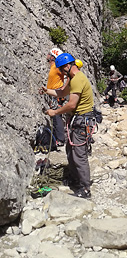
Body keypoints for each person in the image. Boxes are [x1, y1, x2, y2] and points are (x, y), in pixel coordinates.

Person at [40, 53, 94, 199]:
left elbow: (71, 104)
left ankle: (85, 189)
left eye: (62, 70)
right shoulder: (73, 79)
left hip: (81, 121)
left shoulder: (78, 79)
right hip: (77, 121)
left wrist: (55, 112)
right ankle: (76, 180)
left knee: (79, 155)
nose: (62, 73)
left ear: (67, 66)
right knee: (70, 151)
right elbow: (61, 93)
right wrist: (47, 91)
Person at [46, 47, 65, 147]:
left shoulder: (58, 66)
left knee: (57, 115)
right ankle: (58, 137)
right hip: (52, 94)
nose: (47, 55)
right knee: (55, 116)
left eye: (49, 54)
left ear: (52, 56)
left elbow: (70, 75)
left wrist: (63, 88)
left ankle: (60, 139)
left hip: (57, 94)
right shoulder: (53, 66)